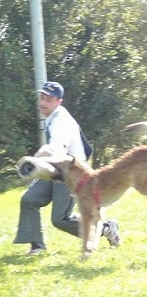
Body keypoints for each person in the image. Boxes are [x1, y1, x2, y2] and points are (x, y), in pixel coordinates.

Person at [14, 81, 120, 255]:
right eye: (41, 97)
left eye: (49, 99)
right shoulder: (52, 117)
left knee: (60, 218)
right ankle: (37, 246)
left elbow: (56, 149)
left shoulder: (60, 121)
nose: (43, 102)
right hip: (55, 169)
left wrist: (35, 159)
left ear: (59, 102)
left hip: (73, 175)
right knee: (29, 200)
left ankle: (107, 229)